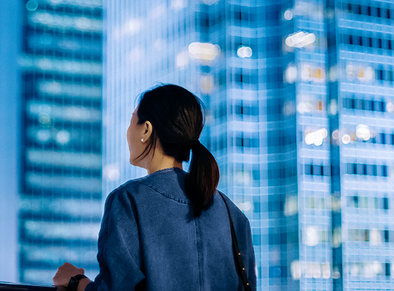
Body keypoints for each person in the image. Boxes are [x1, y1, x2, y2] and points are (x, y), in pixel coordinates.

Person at [52, 84, 256, 291]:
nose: (128, 132)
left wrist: (75, 281)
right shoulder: (233, 214)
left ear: (146, 130)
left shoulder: (128, 200)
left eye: (132, 121)